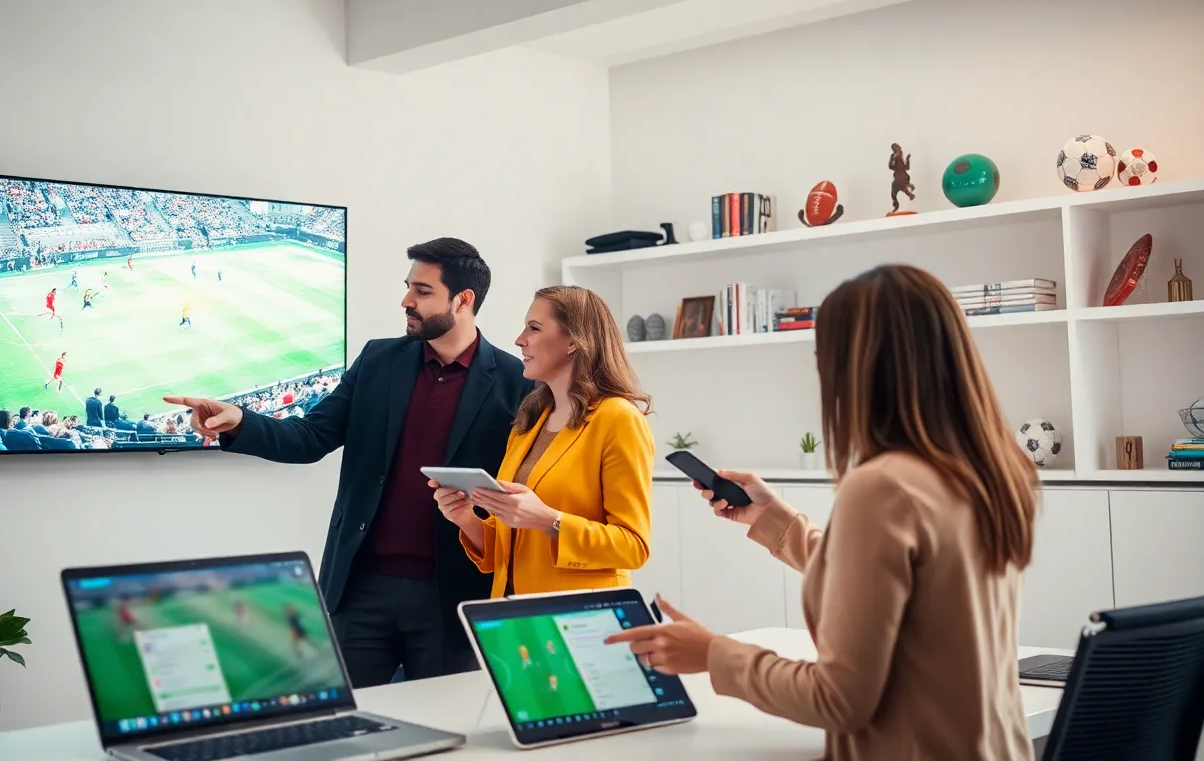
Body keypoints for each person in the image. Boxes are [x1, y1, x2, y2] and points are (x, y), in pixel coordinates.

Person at [605, 265, 1040, 760]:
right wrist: (774, 520)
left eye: (824, 356)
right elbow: (902, 588)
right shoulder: (992, 471)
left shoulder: (883, 487)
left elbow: (840, 699)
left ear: (863, 366)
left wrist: (711, 653)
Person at [162, 238, 533, 688]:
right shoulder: (378, 360)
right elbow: (310, 437)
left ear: (463, 299)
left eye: (422, 290)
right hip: (360, 588)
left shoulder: (516, 381)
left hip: (454, 594)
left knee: (450, 730)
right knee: (346, 724)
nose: (406, 301)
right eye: (407, 287)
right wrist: (240, 422)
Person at [433, 286, 653, 598]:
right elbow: (505, 553)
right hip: (513, 619)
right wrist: (465, 518)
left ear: (574, 340)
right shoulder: (529, 421)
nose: (519, 339)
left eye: (534, 328)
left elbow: (633, 547)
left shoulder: (618, 419)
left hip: (577, 620)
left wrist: (549, 520)